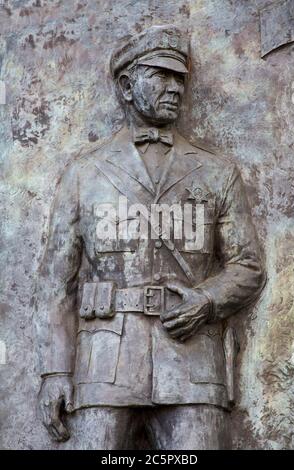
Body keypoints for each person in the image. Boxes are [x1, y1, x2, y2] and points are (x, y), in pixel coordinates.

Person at [36, 24, 265, 449]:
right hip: (103, 367)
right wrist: (54, 370)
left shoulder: (218, 173)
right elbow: (55, 281)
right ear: (126, 86)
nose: (175, 87)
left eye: (180, 77)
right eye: (161, 75)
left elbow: (248, 266)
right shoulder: (84, 174)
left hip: (193, 366)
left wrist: (208, 300)